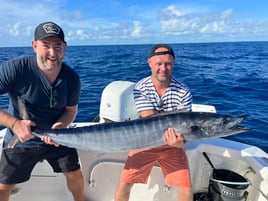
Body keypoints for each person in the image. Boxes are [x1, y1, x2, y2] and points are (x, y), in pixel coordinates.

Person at [0, 22, 84, 201]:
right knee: (3, 186)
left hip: (58, 138)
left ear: (65, 48)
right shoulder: (15, 69)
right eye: (46, 46)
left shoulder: (71, 78)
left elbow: (70, 111)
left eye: (57, 46)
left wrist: (60, 126)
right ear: (34, 45)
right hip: (20, 141)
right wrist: (15, 124)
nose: (52, 53)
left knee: (75, 174)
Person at [114, 44, 193, 201]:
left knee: (186, 188)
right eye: (159, 63)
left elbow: (184, 128)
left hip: (172, 146)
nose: (163, 68)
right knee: (124, 183)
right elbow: (151, 120)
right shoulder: (140, 88)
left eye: (168, 64)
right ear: (150, 62)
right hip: (145, 143)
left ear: (173, 63)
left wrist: (180, 142)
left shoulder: (184, 91)